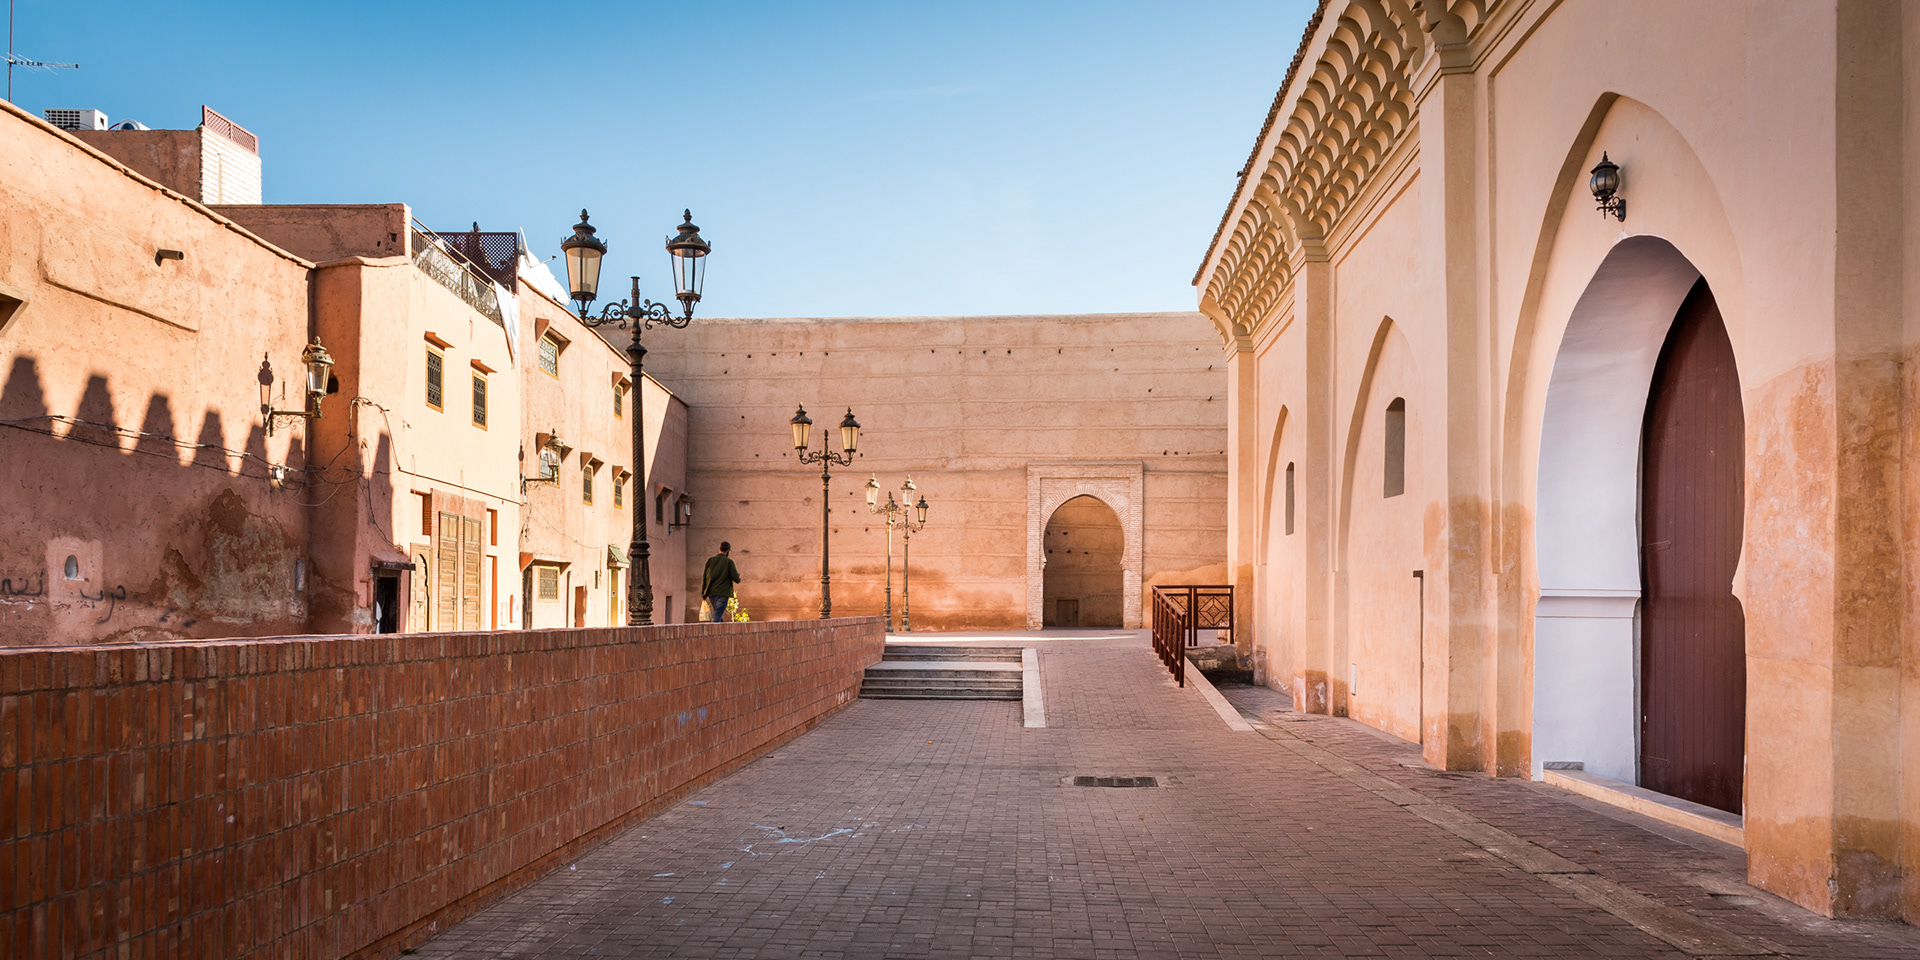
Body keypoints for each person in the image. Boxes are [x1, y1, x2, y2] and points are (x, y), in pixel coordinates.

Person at [701, 542, 742, 622]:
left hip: (711, 593)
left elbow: (705, 577)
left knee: (718, 614)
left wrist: (703, 593)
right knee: (718, 615)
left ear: (719, 549)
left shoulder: (710, 561)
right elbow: (736, 578)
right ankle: (712, 631)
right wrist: (738, 577)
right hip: (722, 593)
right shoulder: (729, 562)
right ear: (728, 551)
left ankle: (721, 633)